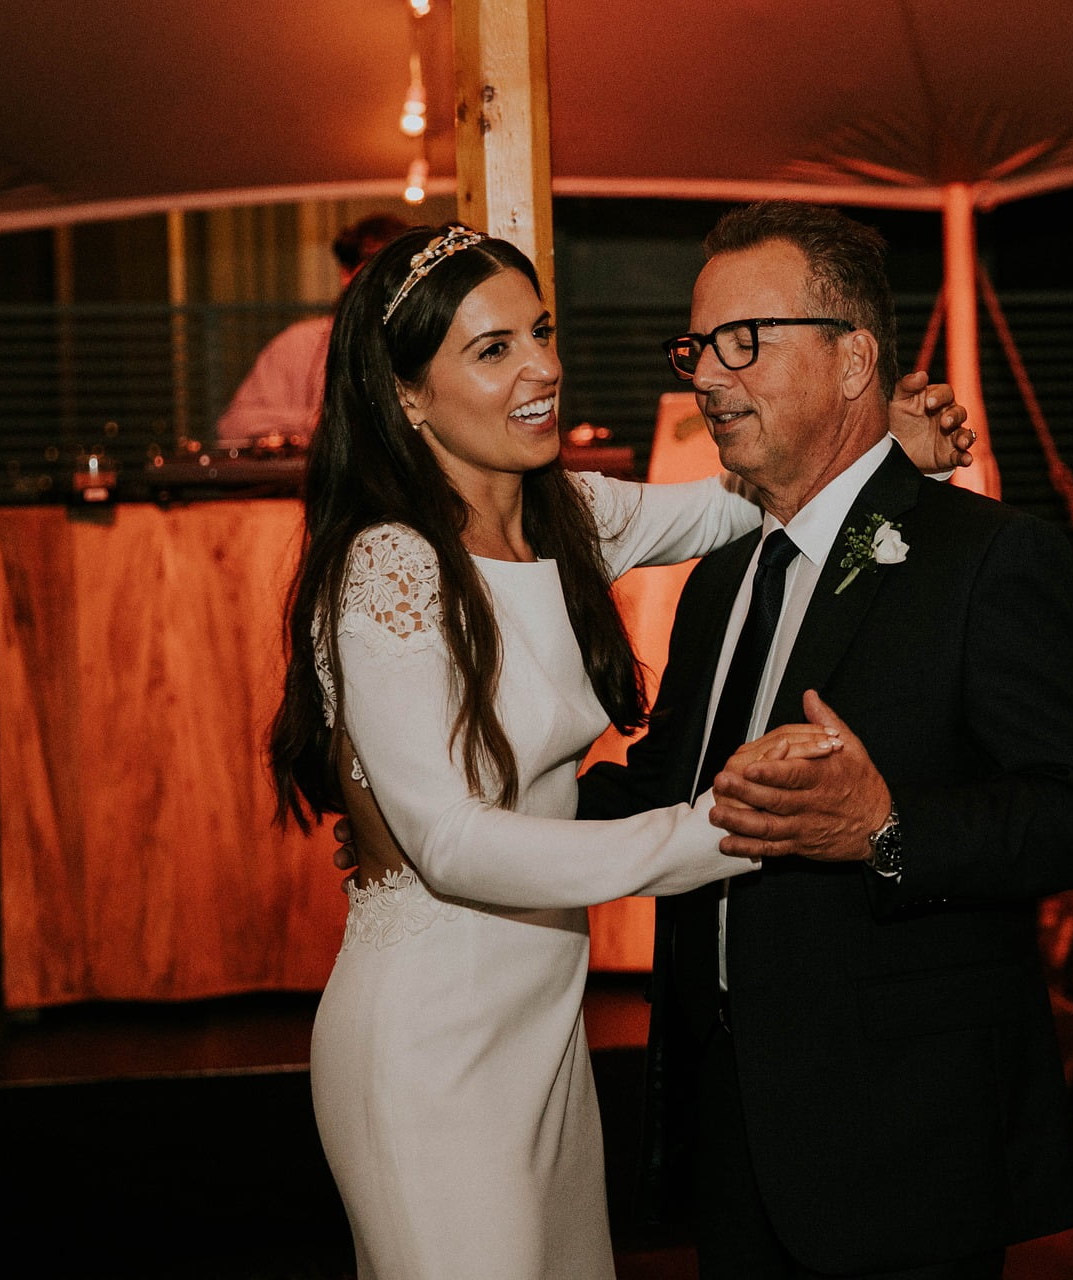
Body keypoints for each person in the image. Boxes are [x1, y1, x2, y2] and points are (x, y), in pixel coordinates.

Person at [270, 223, 972, 1280]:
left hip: (545, 1033)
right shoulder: (385, 563)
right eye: (492, 348)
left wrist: (883, 441)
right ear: (406, 394)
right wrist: (727, 828)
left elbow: (744, 495)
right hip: (429, 1039)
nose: (543, 366)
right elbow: (454, 843)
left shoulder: (569, 516)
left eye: (540, 332)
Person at [575, 202, 1073, 1278]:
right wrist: (467, 814)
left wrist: (886, 829)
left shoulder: (986, 559)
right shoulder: (721, 581)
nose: (709, 378)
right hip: (729, 1125)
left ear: (853, 360)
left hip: (902, 1135)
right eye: (698, 347)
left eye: (746, 341)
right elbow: (667, 789)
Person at [213, 213, 411, 449]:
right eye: (372, 266)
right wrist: (315, 422)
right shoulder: (299, 343)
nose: (382, 282)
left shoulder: (420, 341)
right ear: (346, 274)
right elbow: (233, 426)